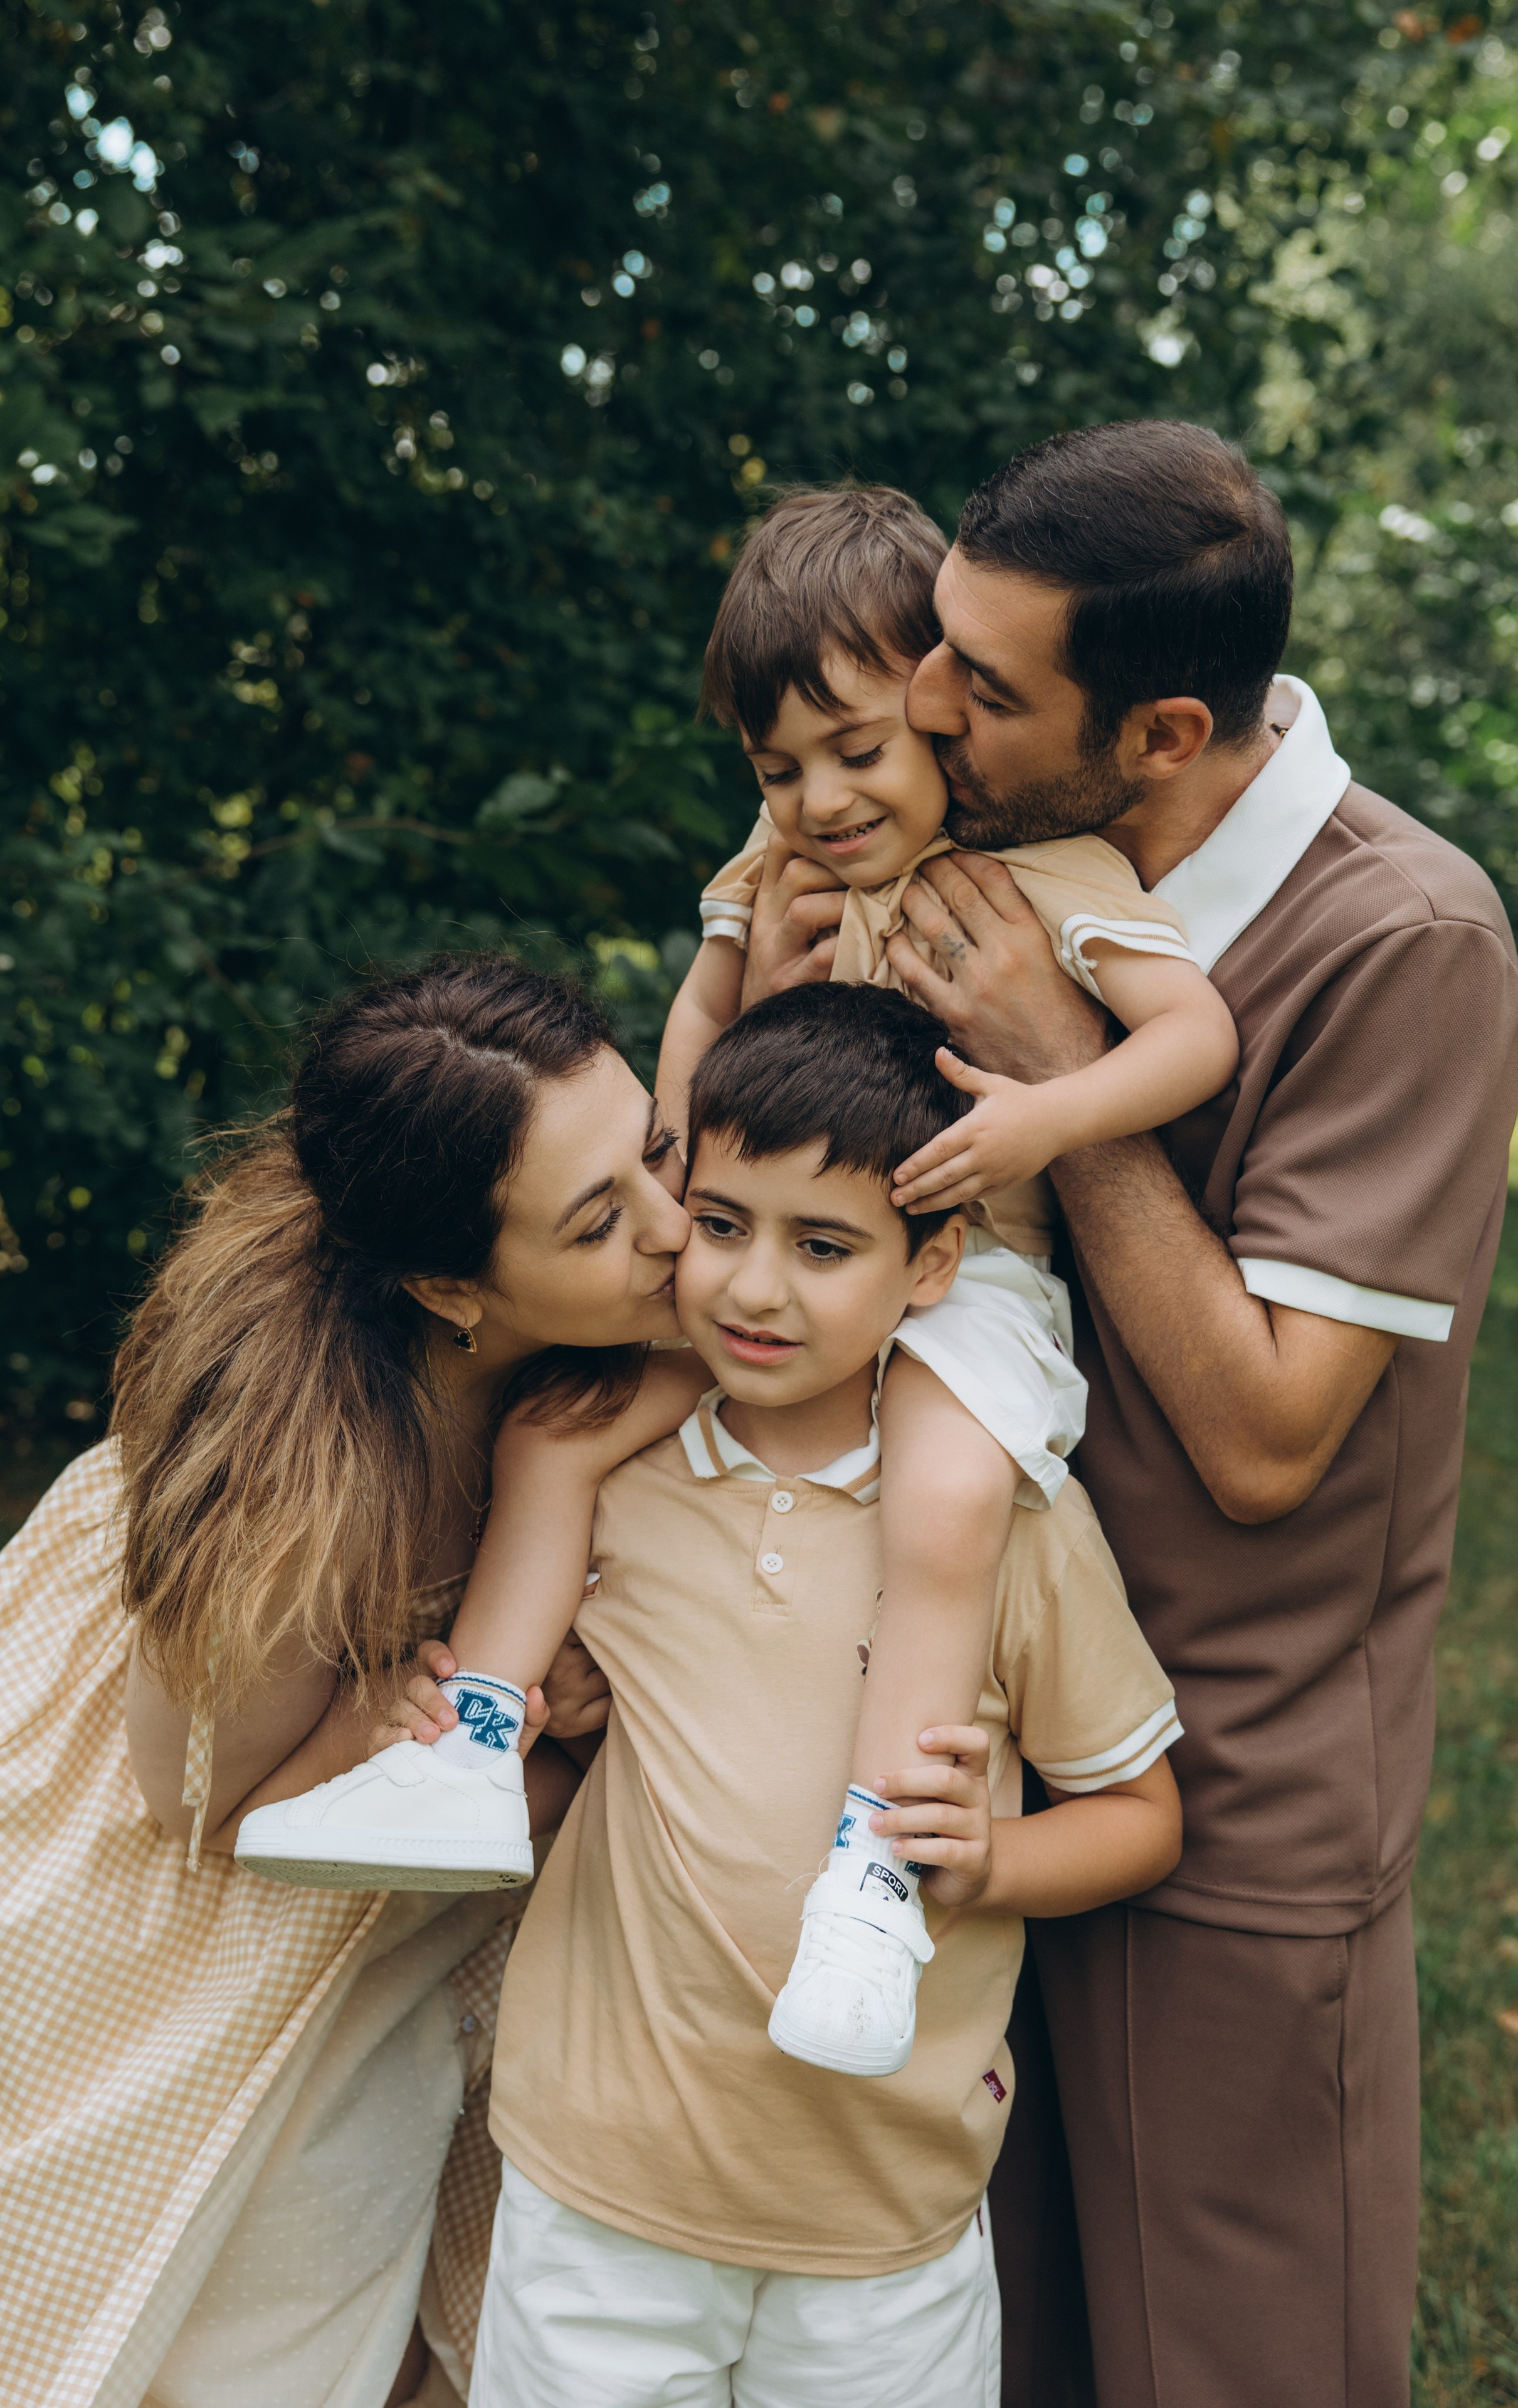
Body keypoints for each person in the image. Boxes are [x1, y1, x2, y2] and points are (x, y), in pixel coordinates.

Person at [729, 422, 1518, 2407]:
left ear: (1162, 733)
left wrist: (1061, 1077)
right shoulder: (976, 842)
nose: (926, 703)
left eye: (984, 686)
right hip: (962, 1738)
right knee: (997, 2340)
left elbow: (1269, 1443)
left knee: (1225, 2357)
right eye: (939, 643)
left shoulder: (1405, 942)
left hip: (1234, 1792)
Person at [244, 490, 1230, 2089]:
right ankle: (471, 1745)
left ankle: (870, 1876)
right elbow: (699, 1024)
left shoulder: (1047, 875)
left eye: (858, 750)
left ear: (938, 710)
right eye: (778, 768)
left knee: (945, 1502)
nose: (820, 800)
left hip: (965, 1272)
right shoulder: (774, 868)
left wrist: (1045, 1114)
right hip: (776, 1246)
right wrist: (691, 1185)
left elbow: (1195, 1037)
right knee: (559, 1432)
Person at [470, 981, 1184, 2408]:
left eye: (824, 1246)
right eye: (720, 1225)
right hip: (600, 2191)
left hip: (880, 2220)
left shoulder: (1008, 1524)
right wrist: (556, 1714)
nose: (751, 1289)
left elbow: (1142, 1816)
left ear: (932, 1266)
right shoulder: (619, 1477)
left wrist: (993, 1863)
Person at [0, 956, 701, 2408]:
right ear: (450, 1287)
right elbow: (204, 1811)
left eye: (657, 1152)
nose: (671, 1227)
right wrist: (379, 1730)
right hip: (205, 1860)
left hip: (436, 1884)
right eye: (598, 1221)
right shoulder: (294, 1484)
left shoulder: (606, 1328)